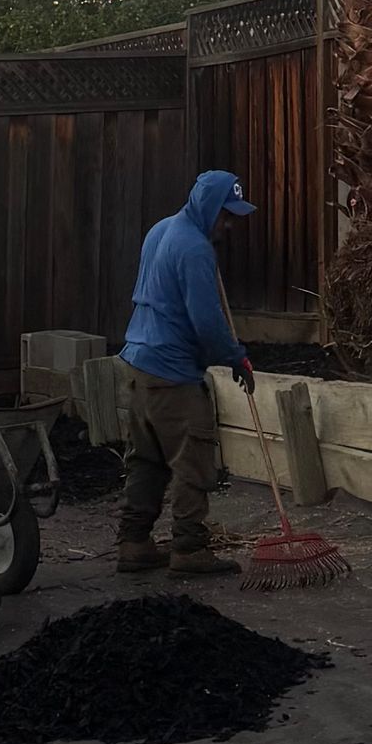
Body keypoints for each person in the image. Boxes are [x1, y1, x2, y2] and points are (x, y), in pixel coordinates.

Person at [116, 168, 259, 574]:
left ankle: (134, 542)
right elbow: (207, 324)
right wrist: (235, 357)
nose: (229, 225)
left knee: (146, 460)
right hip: (172, 373)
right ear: (208, 206)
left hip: (139, 365)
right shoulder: (195, 249)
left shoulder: (160, 230)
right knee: (191, 460)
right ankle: (190, 548)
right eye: (226, 214)